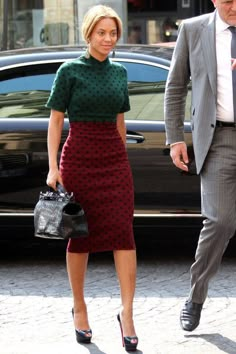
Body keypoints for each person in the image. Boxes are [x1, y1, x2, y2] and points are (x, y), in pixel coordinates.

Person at [45, 4, 138, 351]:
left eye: (113, 33)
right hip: (79, 157)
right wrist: (54, 167)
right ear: (89, 34)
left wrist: (122, 159)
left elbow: (120, 121)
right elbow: (55, 121)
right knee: (79, 235)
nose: (108, 39)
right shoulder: (70, 70)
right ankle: (79, 308)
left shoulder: (120, 72)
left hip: (113, 160)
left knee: (123, 234)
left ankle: (127, 313)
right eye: (102, 32)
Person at [164, 0, 236, 332]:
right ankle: (195, 297)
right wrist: (175, 137)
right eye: (227, 2)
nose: (233, 7)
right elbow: (176, 86)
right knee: (220, 222)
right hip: (218, 138)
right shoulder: (194, 30)